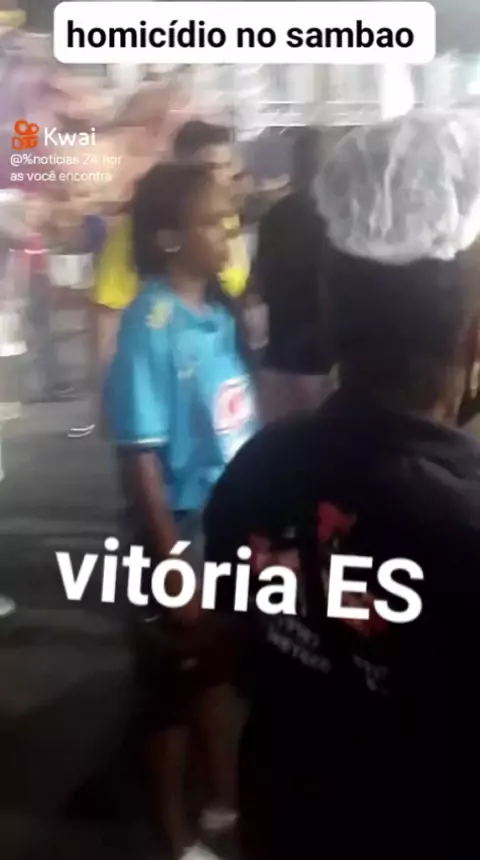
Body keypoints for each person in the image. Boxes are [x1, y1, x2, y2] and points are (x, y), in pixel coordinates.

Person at [204, 111, 480, 859]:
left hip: (286, 821)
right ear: (470, 335)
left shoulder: (260, 466)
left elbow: (235, 643)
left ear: (331, 313)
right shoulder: (463, 518)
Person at [104, 163, 258, 860]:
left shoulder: (219, 314)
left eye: (229, 219)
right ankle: (172, 833)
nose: (227, 232)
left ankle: (224, 798)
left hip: (225, 523)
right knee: (170, 688)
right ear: (169, 237)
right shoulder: (151, 324)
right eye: (211, 221)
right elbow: (140, 456)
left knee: (216, 670)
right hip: (178, 531)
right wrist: (172, 563)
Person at [254, 126, 334, 422]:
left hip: (281, 355)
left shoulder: (274, 215)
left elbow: (260, 283)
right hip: (326, 359)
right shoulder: (341, 217)